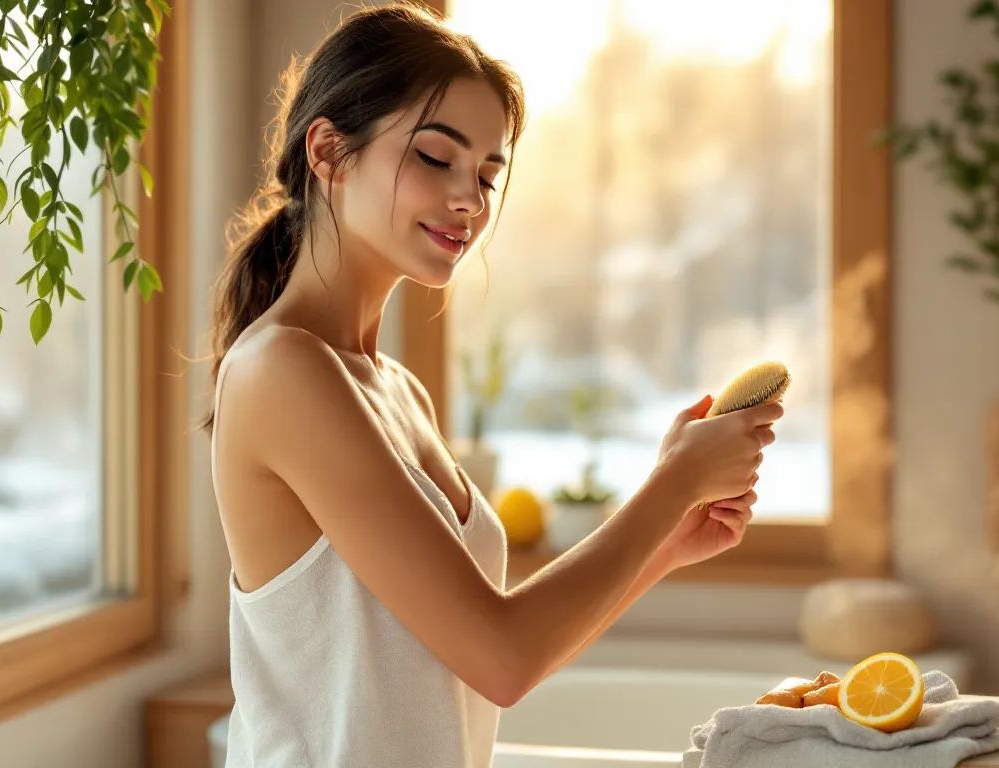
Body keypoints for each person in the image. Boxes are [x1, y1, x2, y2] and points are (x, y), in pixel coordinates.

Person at [203, 3, 783, 766]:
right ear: (329, 151)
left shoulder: (397, 390)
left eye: (486, 173)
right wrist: (675, 482)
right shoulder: (280, 370)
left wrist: (667, 545)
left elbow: (472, 652)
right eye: (436, 158)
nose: (469, 200)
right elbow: (500, 657)